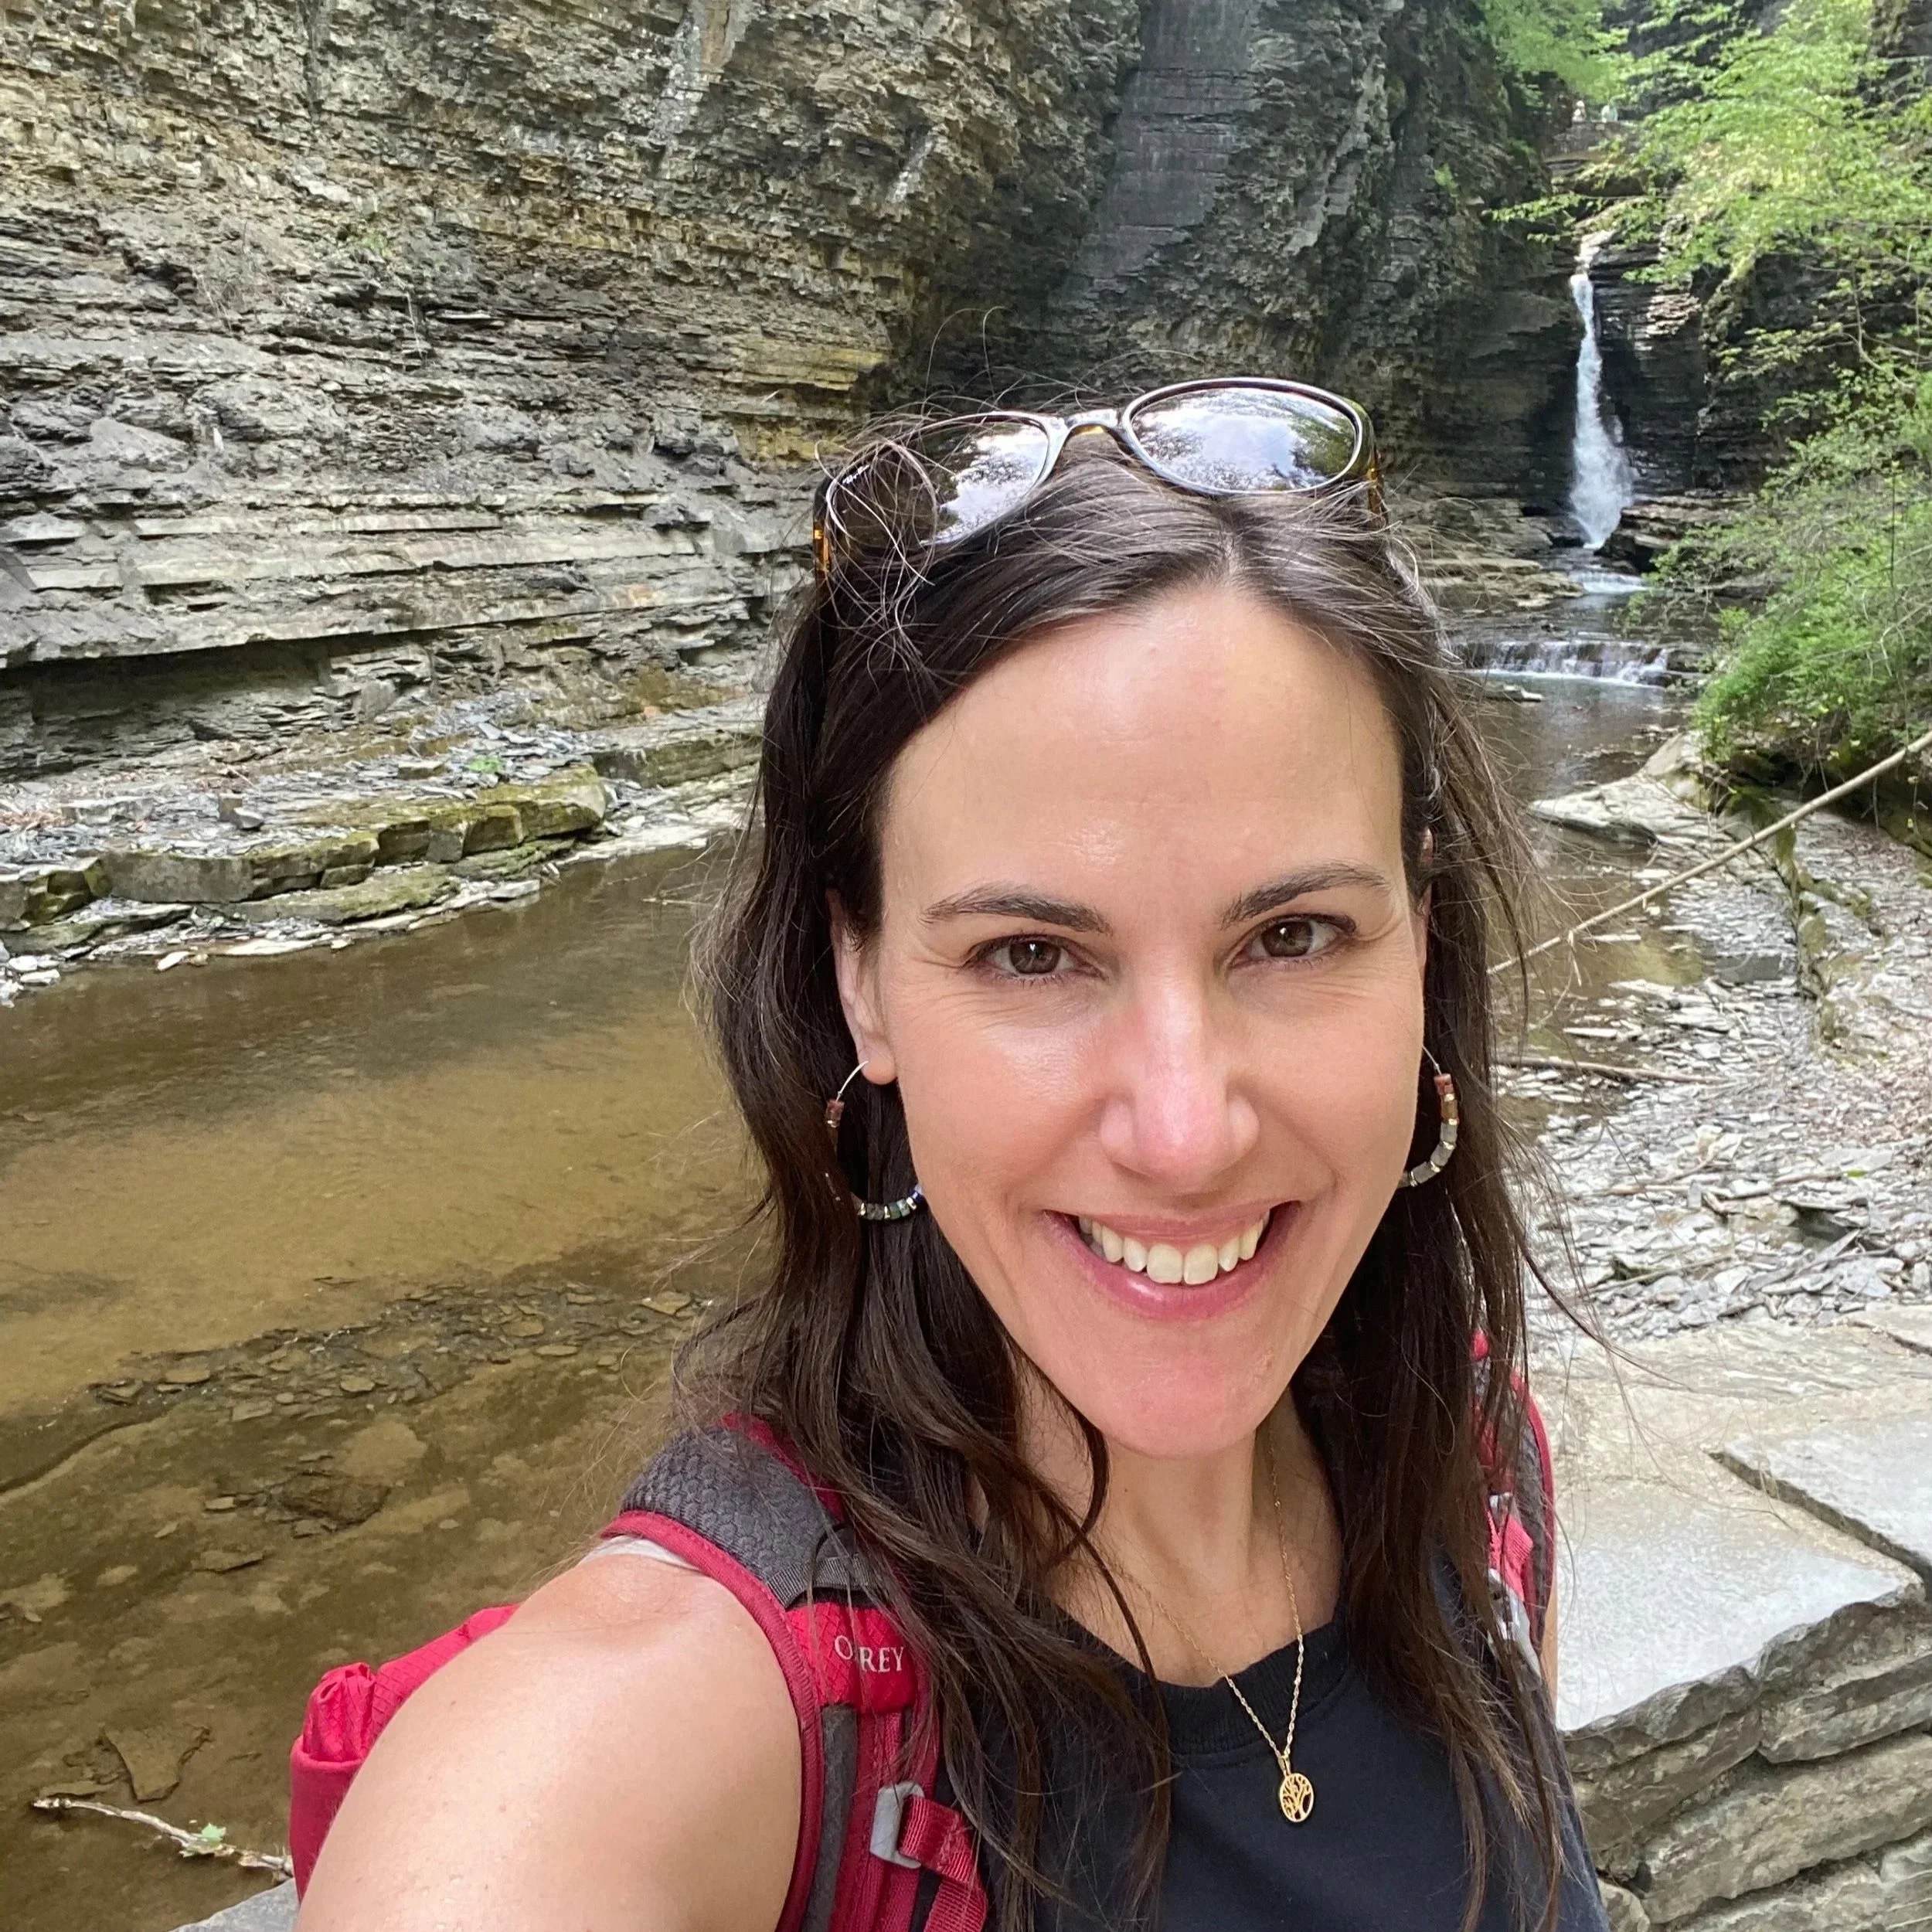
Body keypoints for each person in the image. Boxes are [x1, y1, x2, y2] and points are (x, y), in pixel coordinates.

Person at [298, 379, 1607, 1932]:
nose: (1181, 1131)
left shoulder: (1464, 1456)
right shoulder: (672, 1731)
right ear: (860, 979)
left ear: (1421, 937)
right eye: (1032, 954)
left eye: (1293, 932)